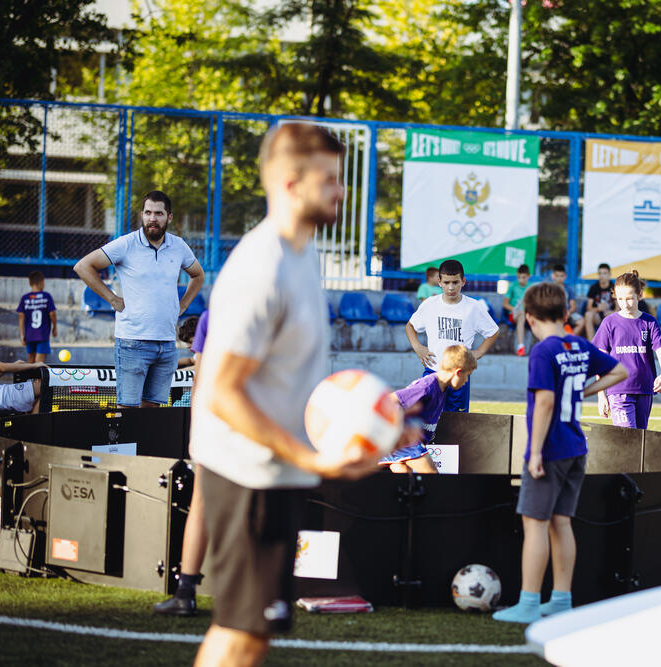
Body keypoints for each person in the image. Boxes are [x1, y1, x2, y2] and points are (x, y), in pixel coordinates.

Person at [189, 124, 382, 667]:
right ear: (291, 182)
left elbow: (289, 378)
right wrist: (308, 457)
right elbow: (222, 391)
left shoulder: (302, 255)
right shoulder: (263, 265)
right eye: (330, 179)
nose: (341, 192)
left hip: (275, 474)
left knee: (255, 631)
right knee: (240, 632)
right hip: (249, 474)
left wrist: (386, 421)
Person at [493, 283, 626, 624]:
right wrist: (585, 389)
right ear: (567, 314)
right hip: (575, 447)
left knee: (535, 524)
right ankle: (562, 598)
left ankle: (528, 603)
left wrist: (534, 451)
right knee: (561, 522)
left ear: (530, 317)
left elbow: (546, 401)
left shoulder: (542, 350)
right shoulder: (579, 344)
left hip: (550, 448)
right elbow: (620, 371)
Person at [74, 190, 205, 408]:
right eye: (148, 212)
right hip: (132, 342)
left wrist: (183, 305)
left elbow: (198, 275)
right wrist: (112, 299)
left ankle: (144, 445)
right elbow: (83, 266)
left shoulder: (179, 246)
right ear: (142, 215)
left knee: (152, 412)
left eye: (159, 213)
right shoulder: (126, 244)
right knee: (127, 412)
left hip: (166, 344)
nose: (152, 218)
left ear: (169, 217)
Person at [153, 310, 208, 616]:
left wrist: (196, 432)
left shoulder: (215, 317)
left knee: (202, 505)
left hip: (220, 426)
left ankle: (186, 591)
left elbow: (200, 377)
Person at [405, 259, 499, 413]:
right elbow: (410, 326)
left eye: (455, 282)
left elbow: (493, 331)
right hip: (433, 371)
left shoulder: (474, 307)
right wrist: (418, 347)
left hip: (459, 374)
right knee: (427, 417)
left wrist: (479, 352)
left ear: (463, 281)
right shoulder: (429, 304)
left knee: (457, 423)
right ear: (439, 281)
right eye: (447, 282)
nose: (451, 287)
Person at [379, 345, 477, 474]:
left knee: (403, 474)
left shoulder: (444, 388)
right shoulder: (427, 386)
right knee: (433, 477)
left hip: (404, 442)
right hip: (405, 442)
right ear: (458, 372)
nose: (466, 381)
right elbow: (392, 399)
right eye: (467, 376)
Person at [592, 271, 661, 429]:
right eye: (620, 299)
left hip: (644, 389)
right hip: (618, 390)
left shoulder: (649, 322)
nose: (625, 304)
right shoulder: (609, 323)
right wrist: (601, 395)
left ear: (639, 295)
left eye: (629, 298)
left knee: (639, 443)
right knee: (628, 440)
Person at [0, 325, 46, 415]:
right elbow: (2, 367)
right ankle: (34, 425)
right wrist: (34, 365)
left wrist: (15, 365)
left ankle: (30, 420)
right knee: (46, 386)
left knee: (36, 395)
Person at [16, 271, 57, 364]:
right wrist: (55, 327)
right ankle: (37, 379)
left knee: (30, 360)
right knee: (39, 362)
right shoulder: (46, 296)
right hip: (42, 334)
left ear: (30, 283)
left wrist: (22, 334)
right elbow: (52, 314)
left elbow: (21, 316)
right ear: (42, 282)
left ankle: (28, 378)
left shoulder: (25, 298)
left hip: (29, 334)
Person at [504, 264, 531, 356]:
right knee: (521, 314)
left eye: (523, 277)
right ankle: (520, 346)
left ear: (528, 276)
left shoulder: (531, 287)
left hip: (528, 314)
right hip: (514, 314)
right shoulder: (512, 286)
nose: (521, 280)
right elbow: (505, 304)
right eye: (519, 277)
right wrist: (514, 309)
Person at [550, 263, 583, 335]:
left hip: (567, 313)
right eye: (557, 276)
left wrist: (568, 312)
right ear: (553, 276)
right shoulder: (549, 289)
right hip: (553, 314)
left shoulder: (568, 289)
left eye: (561, 276)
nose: (559, 278)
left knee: (582, 321)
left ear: (565, 276)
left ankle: (570, 339)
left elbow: (573, 306)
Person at [583, 263, 614, 340]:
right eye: (600, 273)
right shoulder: (594, 288)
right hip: (597, 316)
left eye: (604, 273)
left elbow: (618, 309)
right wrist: (598, 309)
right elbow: (588, 308)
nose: (602, 276)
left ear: (609, 274)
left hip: (609, 315)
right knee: (588, 315)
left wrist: (612, 312)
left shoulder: (614, 288)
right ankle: (592, 345)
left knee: (610, 316)